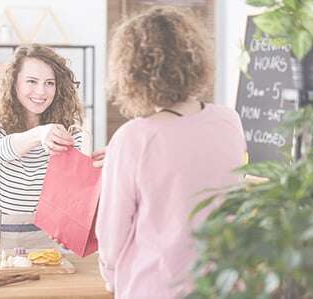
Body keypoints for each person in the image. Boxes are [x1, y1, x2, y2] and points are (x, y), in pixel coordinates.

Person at [95, 6, 247, 299]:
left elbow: (111, 240)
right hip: (223, 284)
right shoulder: (229, 121)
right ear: (195, 59)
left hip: (155, 288)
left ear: (132, 72)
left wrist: (110, 275)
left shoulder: (131, 139)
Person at [0, 44, 103, 249]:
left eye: (49, 83)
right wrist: (40, 134)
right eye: (31, 81)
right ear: (13, 84)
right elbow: (0, 151)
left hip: (48, 242)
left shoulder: (68, 134)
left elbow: (74, 193)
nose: (41, 91)